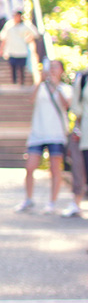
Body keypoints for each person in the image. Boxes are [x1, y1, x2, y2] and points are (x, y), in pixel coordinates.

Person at [14, 60, 72, 214]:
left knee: (55, 169)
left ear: (61, 70)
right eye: (50, 67)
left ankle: (52, 202)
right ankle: (28, 199)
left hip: (56, 133)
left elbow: (66, 105)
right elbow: (31, 100)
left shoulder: (65, 88)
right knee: (30, 167)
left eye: (55, 67)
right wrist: (40, 81)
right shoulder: (41, 87)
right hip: (38, 133)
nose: (52, 70)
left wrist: (56, 86)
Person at [64, 69, 88, 217]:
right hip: (85, 133)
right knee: (80, 169)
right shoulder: (83, 78)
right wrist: (77, 128)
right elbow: (76, 107)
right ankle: (76, 203)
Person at [0, 11, 39, 86]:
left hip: (22, 50)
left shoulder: (26, 25)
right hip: (11, 50)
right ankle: (14, 82)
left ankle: (21, 82)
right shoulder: (9, 24)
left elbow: (35, 33)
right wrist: (1, 48)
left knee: (21, 67)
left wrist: (29, 38)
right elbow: (3, 37)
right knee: (13, 67)